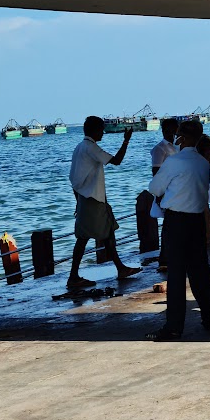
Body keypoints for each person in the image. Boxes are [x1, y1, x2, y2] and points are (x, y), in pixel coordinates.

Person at [149, 120, 210, 340]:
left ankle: (174, 326)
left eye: (178, 135)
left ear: (182, 138)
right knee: (201, 272)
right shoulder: (203, 163)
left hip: (176, 221)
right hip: (196, 221)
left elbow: (154, 187)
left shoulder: (174, 161)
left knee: (177, 274)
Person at [67, 116, 141, 290]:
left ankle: (119, 268)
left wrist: (78, 201)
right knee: (92, 236)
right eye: (101, 129)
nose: (103, 132)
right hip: (94, 199)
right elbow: (116, 161)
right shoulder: (91, 147)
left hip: (86, 198)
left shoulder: (79, 147)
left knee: (102, 233)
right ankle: (74, 277)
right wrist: (126, 142)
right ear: (94, 130)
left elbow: (74, 179)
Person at [136, 117, 179, 256]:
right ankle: (165, 255)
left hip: (178, 189)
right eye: (170, 130)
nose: (173, 133)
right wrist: (160, 193)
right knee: (169, 223)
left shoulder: (177, 146)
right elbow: (156, 172)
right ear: (165, 131)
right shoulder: (160, 149)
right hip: (167, 190)